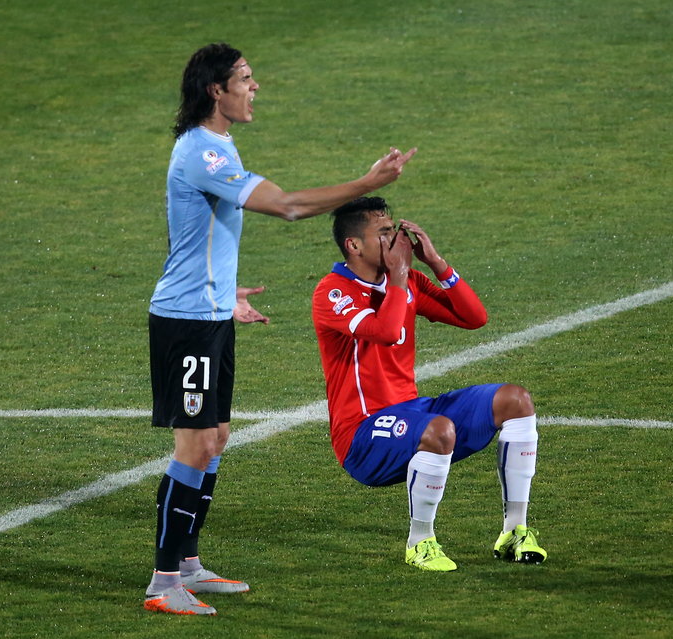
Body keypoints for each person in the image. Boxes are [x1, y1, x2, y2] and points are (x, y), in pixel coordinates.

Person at [145, 43, 416, 616]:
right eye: (245, 78)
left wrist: (224, 290)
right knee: (193, 445)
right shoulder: (203, 152)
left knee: (215, 440)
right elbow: (289, 207)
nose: (255, 86)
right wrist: (365, 182)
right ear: (215, 90)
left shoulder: (216, 146)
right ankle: (163, 580)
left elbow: (190, 233)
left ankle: (189, 563)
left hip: (209, 312)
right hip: (187, 323)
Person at [311, 197, 547, 572]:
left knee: (515, 400)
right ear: (354, 245)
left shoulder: (406, 282)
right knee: (439, 431)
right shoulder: (333, 292)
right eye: (384, 233)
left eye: (393, 230)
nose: (396, 239)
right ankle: (420, 542)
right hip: (361, 433)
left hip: (411, 411)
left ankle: (515, 531)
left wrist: (435, 263)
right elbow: (386, 332)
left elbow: (474, 318)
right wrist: (402, 278)